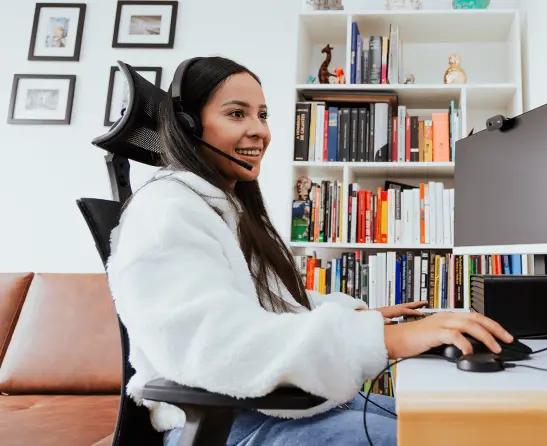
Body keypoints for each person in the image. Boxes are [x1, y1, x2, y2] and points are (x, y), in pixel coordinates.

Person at [105, 56, 513, 446]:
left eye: (262, 115)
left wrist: (360, 318)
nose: (259, 131)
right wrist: (390, 341)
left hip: (270, 410)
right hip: (229, 426)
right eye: (236, 114)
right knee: (447, 437)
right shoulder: (165, 211)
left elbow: (265, 304)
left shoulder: (224, 208)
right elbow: (216, 345)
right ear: (188, 126)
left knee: (457, 422)